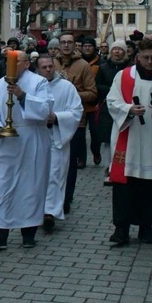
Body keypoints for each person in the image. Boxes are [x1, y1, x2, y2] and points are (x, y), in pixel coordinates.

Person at [106, 38, 152, 246]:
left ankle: (147, 228)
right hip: (129, 138)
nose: (149, 62)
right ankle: (121, 229)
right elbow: (112, 101)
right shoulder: (124, 76)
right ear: (137, 56)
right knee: (124, 185)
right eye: (145, 57)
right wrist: (128, 110)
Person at [0, 51, 52, 251]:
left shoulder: (39, 82)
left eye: (16, 62)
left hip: (32, 140)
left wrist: (22, 96)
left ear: (27, 64)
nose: (10, 66)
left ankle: (28, 233)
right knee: (0, 186)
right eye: (8, 62)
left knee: (30, 187)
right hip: (7, 142)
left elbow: (45, 111)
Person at [34, 54, 83, 233]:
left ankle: (50, 213)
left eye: (50, 66)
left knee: (55, 176)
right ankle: (36, 210)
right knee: (37, 176)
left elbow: (76, 111)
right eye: (44, 67)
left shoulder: (66, 87)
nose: (48, 69)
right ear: (37, 69)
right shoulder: (31, 86)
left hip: (57, 136)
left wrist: (56, 118)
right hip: (36, 138)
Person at [53, 33, 97, 214]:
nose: (66, 46)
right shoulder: (51, 64)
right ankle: (52, 196)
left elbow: (92, 93)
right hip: (52, 120)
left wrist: (71, 93)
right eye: (63, 42)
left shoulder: (83, 65)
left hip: (74, 122)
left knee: (70, 163)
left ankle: (66, 198)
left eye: (69, 43)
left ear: (74, 45)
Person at [95, 39, 130, 184]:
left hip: (125, 106)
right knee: (107, 139)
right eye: (114, 49)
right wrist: (113, 92)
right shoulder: (103, 68)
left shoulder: (129, 68)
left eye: (120, 49)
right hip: (107, 108)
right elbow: (98, 86)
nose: (117, 52)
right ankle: (108, 167)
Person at [81, 38, 103, 166]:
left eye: (90, 46)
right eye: (85, 46)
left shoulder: (101, 63)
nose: (87, 48)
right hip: (81, 103)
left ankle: (96, 151)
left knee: (95, 133)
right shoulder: (78, 63)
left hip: (95, 104)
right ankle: (82, 158)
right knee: (80, 134)